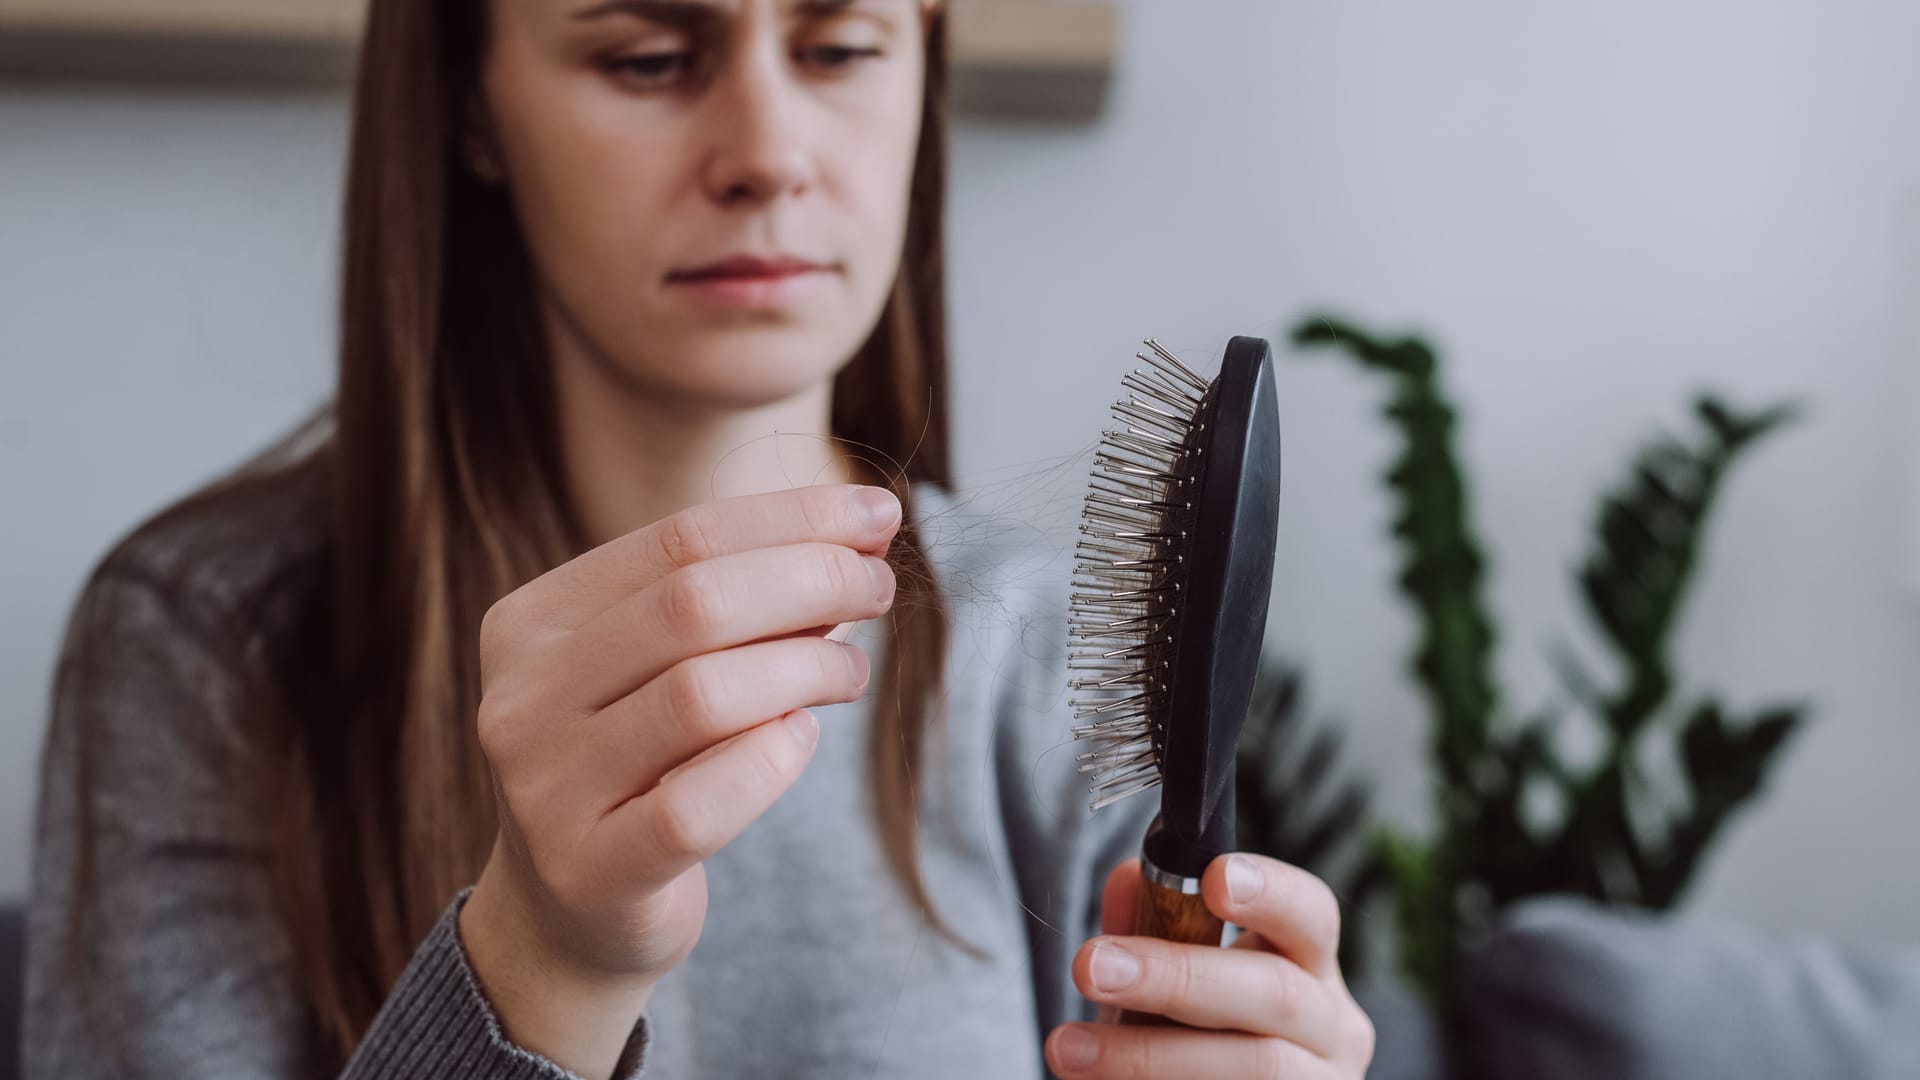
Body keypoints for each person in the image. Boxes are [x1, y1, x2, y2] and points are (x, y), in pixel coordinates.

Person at [25, 1, 1375, 1077]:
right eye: (652, 55)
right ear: (467, 104)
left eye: (841, 45)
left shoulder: (1039, 659)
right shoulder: (202, 641)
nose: (768, 153)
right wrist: (542, 957)